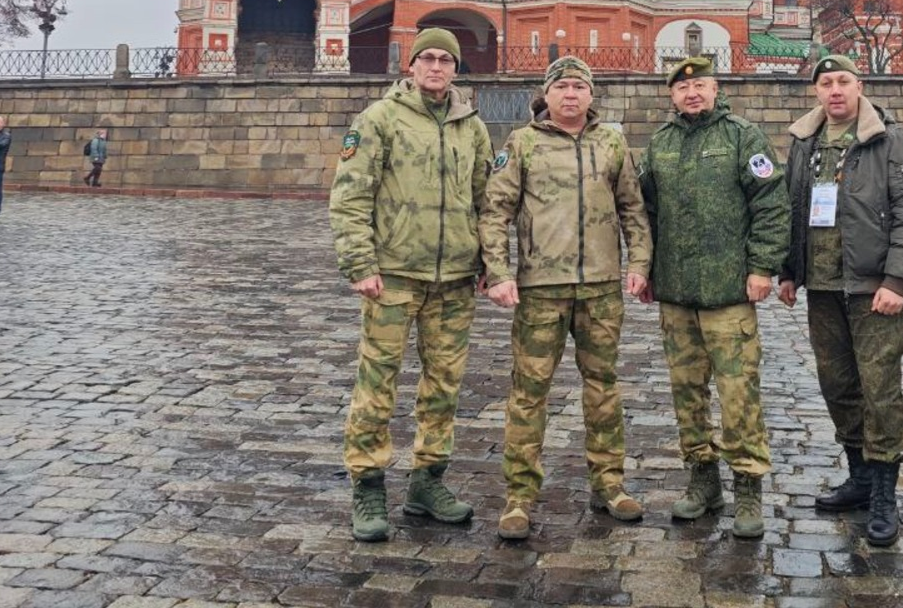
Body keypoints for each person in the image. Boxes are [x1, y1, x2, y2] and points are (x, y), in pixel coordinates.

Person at [328, 28, 493, 543]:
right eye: (428, 58)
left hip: (454, 280)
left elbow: (486, 202)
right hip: (394, 275)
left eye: (446, 60)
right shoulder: (378, 120)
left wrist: (489, 260)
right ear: (411, 66)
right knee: (377, 385)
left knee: (443, 388)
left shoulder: (472, 127)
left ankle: (428, 480)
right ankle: (369, 483)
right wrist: (361, 263)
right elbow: (350, 197)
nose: (437, 67)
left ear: (456, 70)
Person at [480, 56, 653, 542]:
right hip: (540, 289)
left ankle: (610, 483)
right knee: (529, 392)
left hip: (600, 288)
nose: (571, 95)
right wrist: (497, 271)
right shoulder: (523, 143)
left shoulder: (612, 142)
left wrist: (638, 264)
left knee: (603, 388)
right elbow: (495, 210)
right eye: (563, 87)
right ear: (547, 94)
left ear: (591, 95)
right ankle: (519, 494)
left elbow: (633, 210)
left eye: (580, 86)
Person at [778, 55, 903, 547]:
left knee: (879, 385)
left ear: (859, 86)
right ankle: (859, 476)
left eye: (843, 81)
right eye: (826, 83)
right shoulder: (804, 142)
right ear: (816, 92)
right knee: (838, 383)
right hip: (822, 286)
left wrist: (898, 282)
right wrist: (789, 271)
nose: (835, 90)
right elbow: (792, 207)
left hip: (872, 289)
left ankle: (885, 491)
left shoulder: (889, 140)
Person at [639, 55, 789, 539]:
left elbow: (770, 204)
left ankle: (747, 485)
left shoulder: (743, 136)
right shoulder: (659, 144)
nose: (692, 94)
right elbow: (644, 213)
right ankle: (703, 479)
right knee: (687, 392)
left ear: (715, 87)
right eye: (683, 88)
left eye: (700, 85)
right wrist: (645, 269)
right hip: (677, 292)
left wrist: (762, 266)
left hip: (729, 292)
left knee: (738, 391)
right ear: (671, 95)